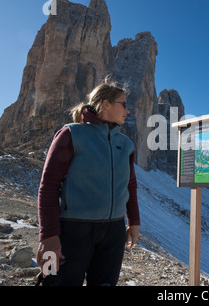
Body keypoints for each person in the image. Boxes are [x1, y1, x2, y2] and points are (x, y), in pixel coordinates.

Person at [36, 76, 140, 286]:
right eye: (124, 104)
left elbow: (130, 185)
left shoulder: (126, 144)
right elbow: (48, 187)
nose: (127, 111)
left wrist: (134, 222)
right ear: (106, 104)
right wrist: (48, 237)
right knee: (56, 283)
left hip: (114, 232)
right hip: (73, 230)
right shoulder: (71, 134)